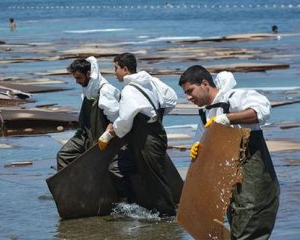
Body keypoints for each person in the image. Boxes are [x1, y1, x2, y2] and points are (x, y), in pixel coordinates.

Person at [179, 65, 280, 239]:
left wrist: (227, 118)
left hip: (255, 173)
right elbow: (201, 138)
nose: (188, 97)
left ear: (204, 84)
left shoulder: (234, 97)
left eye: (190, 91)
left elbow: (261, 111)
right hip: (230, 177)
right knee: (236, 217)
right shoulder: (206, 113)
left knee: (252, 216)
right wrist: (197, 148)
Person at [98, 52, 180, 215]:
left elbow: (125, 121)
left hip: (147, 140)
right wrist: (156, 113)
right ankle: (133, 207)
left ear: (125, 69)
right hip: (152, 135)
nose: (114, 72)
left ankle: (168, 216)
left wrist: (109, 133)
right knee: (116, 168)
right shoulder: (151, 81)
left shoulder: (129, 90)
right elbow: (172, 98)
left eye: (116, 68)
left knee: (155, 179)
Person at [56, 56, 120, 171]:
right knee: (64, 155)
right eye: (75, 78)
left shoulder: (105, 91)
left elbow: (116, 118)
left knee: (100, 168)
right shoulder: (88, 88)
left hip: (102, 137)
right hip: (85, 135)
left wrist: (107, 135)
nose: (77, 82)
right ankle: (69, 187)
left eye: (79, 78)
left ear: (89, 73)